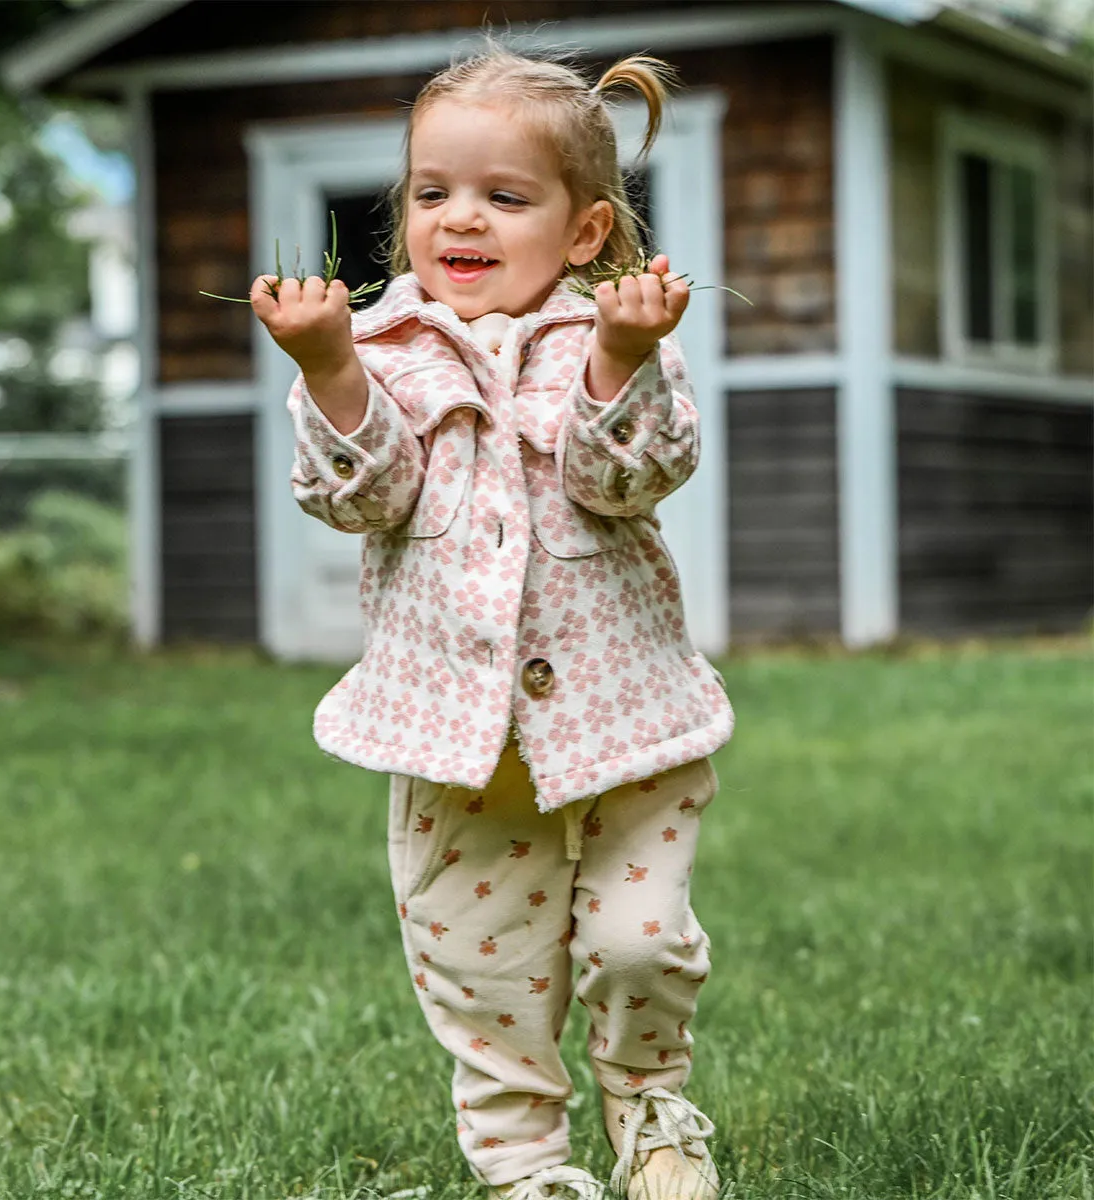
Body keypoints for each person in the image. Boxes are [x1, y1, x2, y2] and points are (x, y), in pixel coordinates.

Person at [250, 43, 736, 1200]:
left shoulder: (605, 338)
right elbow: (358, 499)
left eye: (503, 196)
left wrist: (624, 355)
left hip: (622, 719)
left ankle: (651, 1106)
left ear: (582, 232)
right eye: (433, 193)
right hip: (460, 737)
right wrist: (327, 373)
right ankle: (525, 1169)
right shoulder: (377, 354)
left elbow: (630, 479)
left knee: (638, 941)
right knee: (482, 964)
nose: (459, 218)